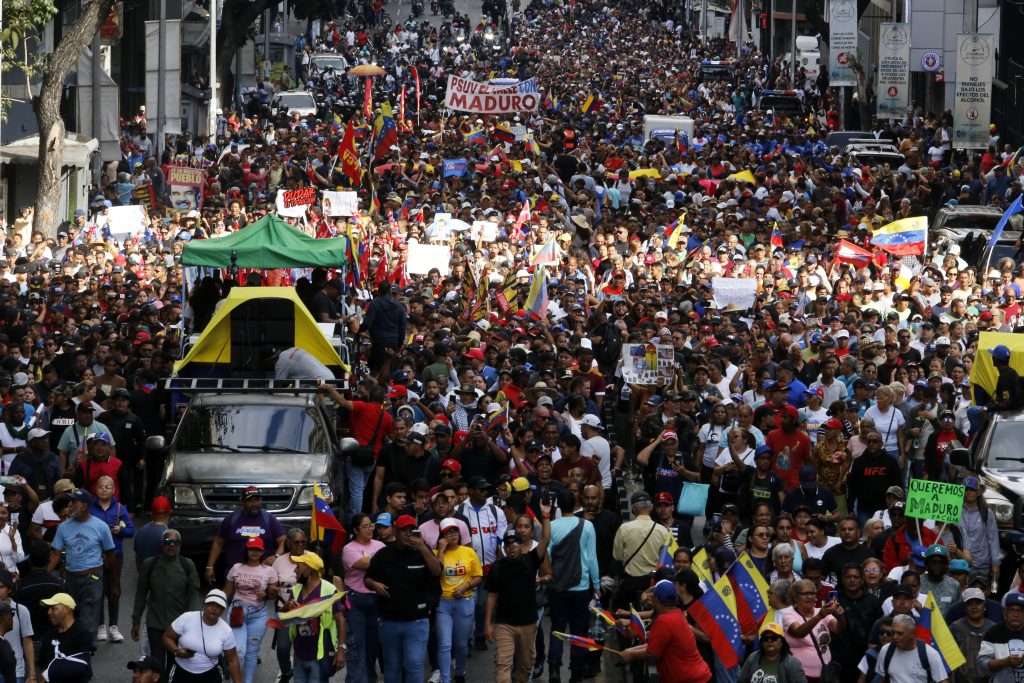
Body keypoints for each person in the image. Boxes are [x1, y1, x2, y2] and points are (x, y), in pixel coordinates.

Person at [364, 514, 442, 683]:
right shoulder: (383, 554)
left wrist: (422, 547)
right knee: (392, 667)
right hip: (390, 620)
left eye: (411, 530)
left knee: (414, 664)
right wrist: (374, 584)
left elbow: (437, 571)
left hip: (417, 620)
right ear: (396, 530)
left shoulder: (422, 551)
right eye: (404, 530)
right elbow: (368, 579)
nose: (408, 534)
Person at [484, 501, 552, 683]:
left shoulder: (531, 559)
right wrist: (488, 623)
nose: (512, 547)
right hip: (504, 623)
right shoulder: (497, 567)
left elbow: (545, 540)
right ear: (505, 548)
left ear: (521, 547)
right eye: (509, 544)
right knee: (503, 664)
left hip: (528, 623)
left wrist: (545, 516)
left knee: (525, 665)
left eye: (516, 544)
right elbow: (491, 595)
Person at [47, 488, 115, 648]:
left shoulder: (101, 527)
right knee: (70, 612)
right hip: (70, 577)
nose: (70, 506)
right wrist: (45, 574)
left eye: (73, 503)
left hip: (92, 577)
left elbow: (111, 554)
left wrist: (113, 582)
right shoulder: (63, 527)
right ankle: (72, 645)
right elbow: (56, 553)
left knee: (88, 616)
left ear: (84, 505)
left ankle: (85, 650)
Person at [546, 489, 600, 683]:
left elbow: (548, 556)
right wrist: (597, 584)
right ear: (576, 502)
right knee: (579, 630)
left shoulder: (551, 526)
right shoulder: (587, 526)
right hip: (581, 587)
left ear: (559, 505)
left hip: (557, 586)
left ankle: (553, 669)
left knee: (557, 628)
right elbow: (592, 558)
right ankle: (576, 672)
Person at [132, 528, 201, 677]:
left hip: (178, 625)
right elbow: (141, 594)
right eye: (168, 542)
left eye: (175, 543)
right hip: (155, 622)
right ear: (161, 544)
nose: (171, 546)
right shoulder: (149, 564)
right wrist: (136, 621)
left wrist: (194, 623)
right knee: (156, 661)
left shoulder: (187, 565)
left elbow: (194, 595)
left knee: (174, 661)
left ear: (180, 545)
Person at [620, 579, 711, 683]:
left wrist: (631, 655)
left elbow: (652, 654)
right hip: (698, 676)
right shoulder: (677, 614)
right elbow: (655, 645)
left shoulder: (664, 621)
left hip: (689, 678)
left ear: (656, 600)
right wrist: (630, 651)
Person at [284, 551, 347, 682]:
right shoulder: (296, 589)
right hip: (299, 653)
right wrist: (288, 606)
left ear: (309, 569)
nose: (295, 570)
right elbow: (285, 616)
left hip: (320, 655)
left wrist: (341, 649)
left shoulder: (329, 590)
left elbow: (340, 620)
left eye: (298, 567)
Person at [224, 536, 279, 683]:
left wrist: (266, 594)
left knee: (251, 652)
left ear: (262, 552)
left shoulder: (269, 571)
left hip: (258, 616)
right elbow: (226, 592)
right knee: (239, 651)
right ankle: (234, 676)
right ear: (247, 550)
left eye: (257, 550)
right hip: (237, 613)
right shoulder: (236, 568)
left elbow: (274, 595)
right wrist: (216, 611)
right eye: (251, 549)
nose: (254, 552)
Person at [205, 486, 286, 586]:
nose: (254, 504)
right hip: (234, 573)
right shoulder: (232, 519)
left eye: (257, 500)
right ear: (242, 502)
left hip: (262, 574)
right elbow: (218, 542)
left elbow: (283, 541)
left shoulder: (269, 519)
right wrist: (209, 567)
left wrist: (276, 556)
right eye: (250, 501)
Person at [88, 474, 134, 643]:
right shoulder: (90, 508)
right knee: (97, 590)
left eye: (108, 486)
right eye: (101, 486)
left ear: (114, 490)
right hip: (95, 556)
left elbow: (131, 530)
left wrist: (119, 530)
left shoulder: (120, 508)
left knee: (114, 590)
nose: (104, 489)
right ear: (95, 489)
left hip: (115, 555)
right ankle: (100, 626)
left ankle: (113, 626)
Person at [435, 517, 482, 683]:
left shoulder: (468, 552)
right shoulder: (436, 554)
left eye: (454, 531)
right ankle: (445, 679)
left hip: (465, 601)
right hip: (444, 603)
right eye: (447, 533)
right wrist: (441, 549)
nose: (452, 535)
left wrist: (465, 587)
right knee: (445, 644)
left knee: (461, 644)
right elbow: (436, 573)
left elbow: (478, 576)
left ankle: (460, 672)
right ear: (441, 536)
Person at [163, 589, 243, 683]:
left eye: (219, 606)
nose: (214, 609)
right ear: (204, 604)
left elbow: (232, 660)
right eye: (211, 604)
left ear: (223, 610)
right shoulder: (187, 618)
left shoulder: (226, 631)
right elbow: (167, 637)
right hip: (181, 672)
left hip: (209, 675)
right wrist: (176, 651)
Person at [341, 513, 384, 683]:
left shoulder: (380, 544)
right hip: (356, 599)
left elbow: (382, 564)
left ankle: (370, 678)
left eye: (371, 525)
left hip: (376, 599)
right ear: (356, 529)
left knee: (373, 645)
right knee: (356, 645)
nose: (370, 529)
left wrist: (375, 559)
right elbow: (365, 564)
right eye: (365, 526)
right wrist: (378, 559)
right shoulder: (349, 549)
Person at [611, 491, 671, 611]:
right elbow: (665, 558)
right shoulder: (663, 531)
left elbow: (617, 556)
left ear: (633, 509)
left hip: (629, 583)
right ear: (651, 507)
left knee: (627, 616)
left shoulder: (624, 529)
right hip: (651, 583)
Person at [782, 578, 843, 680]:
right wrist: (819, 616)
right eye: (805, 594)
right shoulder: (789, 615)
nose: (810, 597)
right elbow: (799, 632)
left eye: (812, 593)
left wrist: (840, 615)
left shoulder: (820, 611)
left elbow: (838, 629)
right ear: (795, 597)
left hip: (825, 672)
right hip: (801, 674)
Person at [877, 613, 948, 683]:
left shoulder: (930, 654)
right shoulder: (886, 651)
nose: (895, 637)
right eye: (893, 632)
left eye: (900, 633)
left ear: (912, 634)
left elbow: (942, 681)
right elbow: (882, 678)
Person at [37, 593, 93, 682]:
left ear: (67, 609)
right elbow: (42, 666)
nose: (49, 612)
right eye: (49, 609)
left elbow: (82, 667)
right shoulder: (48, 636)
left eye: (53, 608)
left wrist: (51, 672)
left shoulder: (82, 634)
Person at [949, 587, 994, 683]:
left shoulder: (993, 628)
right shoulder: (955, 627)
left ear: (984, 606)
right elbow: (950, 659)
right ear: (964, 607)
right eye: (970, 604)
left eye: (978, 603)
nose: (974, 607)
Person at [737, 622, 807, 683]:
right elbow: (741, 681)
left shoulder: (792, 663)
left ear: (782, 641)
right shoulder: (752, 658)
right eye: (765, 639)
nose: (769, 641)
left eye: (774, 638)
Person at [0, 571, 35, 683]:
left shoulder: (21, 610)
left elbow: (27, 642)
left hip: (16, 670)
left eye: (1, 587)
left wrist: (32, 674)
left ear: (9, 589)